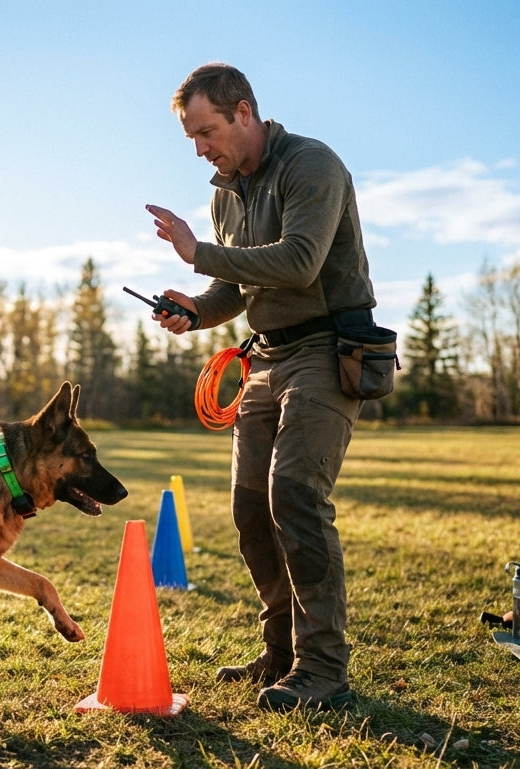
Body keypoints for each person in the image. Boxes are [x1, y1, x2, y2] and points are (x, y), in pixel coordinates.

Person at [146, 62, 377, 712]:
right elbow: (235, 288)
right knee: (251, 509)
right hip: (267, 358)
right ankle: (280, 654)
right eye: (192, 137)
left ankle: (323, 669)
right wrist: (193, 307)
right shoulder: (226, 195)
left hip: (328, 351)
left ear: (244, 112)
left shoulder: (312, 166)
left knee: (296, 497)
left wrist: (198, 254)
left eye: (207, 131)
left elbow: (299, 264)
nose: (200, 148)